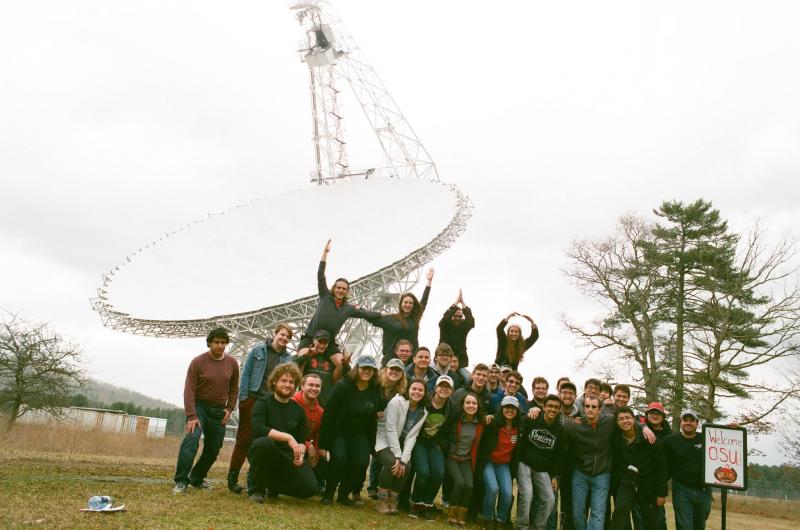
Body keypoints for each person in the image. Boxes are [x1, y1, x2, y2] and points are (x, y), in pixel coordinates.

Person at [228, 324, 293, 493]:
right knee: (244, 438)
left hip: (270, 401)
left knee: (264, 440)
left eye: (288, 337)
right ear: (275, 334)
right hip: (252, 396)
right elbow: (246, 374)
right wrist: (242, 398)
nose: (284, 338)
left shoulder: (288, 358)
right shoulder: (258, 350)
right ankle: (232, 478)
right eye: (282, 334)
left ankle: (255, 478)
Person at [296, 239, 380, 370]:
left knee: (344, 367)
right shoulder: (325, 296)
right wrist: (325, 253)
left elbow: (367, 314)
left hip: (329, 344)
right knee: (300, 362)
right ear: (334, 288)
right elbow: (320, 275)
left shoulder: (348, 308)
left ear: (347, 292)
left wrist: (390, 314)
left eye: (344, 289)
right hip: (310, 338)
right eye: (338, 287)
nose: (341, 290)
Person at [173, 328, 239, 494]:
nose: (220, 346)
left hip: (219, 410)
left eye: (223, 343)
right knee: (191, 441)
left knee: (214, 447)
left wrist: (230, 408)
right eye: (216, 342)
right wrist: (192, 415)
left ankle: (197, 477)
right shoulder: (198, 362)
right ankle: (181, 481)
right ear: (209, 343)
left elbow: (234, 387)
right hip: (199, 407)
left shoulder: (232, 363)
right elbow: (189, 389)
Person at [247, 363, 318, 503]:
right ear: (274, 382)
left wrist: (301, 453)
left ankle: (273, 485)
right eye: (283, 381)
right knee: (264, 442)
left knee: (310, 488)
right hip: (264, 451)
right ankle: (257, 489)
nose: (288, 385)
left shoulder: (298, 410)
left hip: (287, 456)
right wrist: (287, 437)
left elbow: (302, 439)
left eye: (291, 382)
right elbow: (258, 428)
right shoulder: (263, 403)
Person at [319, 356, 382, 506]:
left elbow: (375, 414)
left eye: (370, 369)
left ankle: (343, 494)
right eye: (363, 368)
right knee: (339, 458)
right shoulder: (343, 386)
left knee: (361, 462)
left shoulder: (374, 390)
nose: (366, 371)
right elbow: (329, 414)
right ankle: (328, 493)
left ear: (374, 372)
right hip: (340, 432)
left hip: (360, 434)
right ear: (357, 369)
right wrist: (324, 443)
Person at [374, 378, 429, 514]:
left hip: (399, 444)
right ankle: (381, 501)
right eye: (414, 388)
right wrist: (398, 456)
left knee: (407, 465)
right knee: (392, 462)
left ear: (425, 393)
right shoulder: (396, 402)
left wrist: (404, 459)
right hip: (383, 439)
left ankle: (393, 500)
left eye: (420, 390)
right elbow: (390, 429)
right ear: (408, 389)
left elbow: (412, 437)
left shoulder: (423, 412)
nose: (417, 392)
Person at [609, 407, 667, 530]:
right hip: (626, 484)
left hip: (647, 485)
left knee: (650, 522)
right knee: (618, 517)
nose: (625, 421)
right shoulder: (616, 440)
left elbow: (661, 467)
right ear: (617, 422)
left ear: (634, 419)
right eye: (621, 419)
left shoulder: (649, 438)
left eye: (628, 418)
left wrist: (661, 493)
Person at [516, 394, 566, 530]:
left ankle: (539, 526)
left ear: (559, 410)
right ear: (543, 407)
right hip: (525, 463)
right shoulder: (532, 419)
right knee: (527, 494)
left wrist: (555, 476)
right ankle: (522, 527)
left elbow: (559, 455)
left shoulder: (560, 429)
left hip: (542, 469)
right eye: (549, 406)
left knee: (550, 499)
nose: (552, 409)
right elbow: (518, 429)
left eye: (556, 407)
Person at [410, 374, 455, 520]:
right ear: (435, 387)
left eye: (447, 387)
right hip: (419, 441)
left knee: (438, 473)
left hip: (436, 444)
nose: (444, 389)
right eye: (441, 385)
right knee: (423, 472)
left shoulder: (451, 407)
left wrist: (444, 446)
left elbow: (450, 430)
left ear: (451, 391)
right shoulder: (425, 401)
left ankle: (427, 504)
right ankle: (416, 503)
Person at [368, 269, 434, 366]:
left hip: (410, 359)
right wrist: (359, 310)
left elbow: (424, 301)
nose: (408, 305)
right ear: (401, 304)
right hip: (391, 358)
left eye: (411, 303)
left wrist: (429, 282)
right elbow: (370, 318)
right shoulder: (391, 318)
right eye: (405, 302)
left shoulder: (415, 318)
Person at [366, 358, 409, 500]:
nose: (394, 372)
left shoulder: (401, 392)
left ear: (402, 374)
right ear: (386, 369)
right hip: (368, 427)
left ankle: (387, 493)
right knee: (367, 460)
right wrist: (374, 412)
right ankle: (368, 488)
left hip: (385, 432)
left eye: (398, 370)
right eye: (392, 369)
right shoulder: (375, 385)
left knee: (389, 461)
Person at [661, 411, 711, 530]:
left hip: (703, 491)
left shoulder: (706, 439)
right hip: (681, 489)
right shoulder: (670, 441)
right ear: (681, 423)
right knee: (684, 526)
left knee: (699, 526)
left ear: (697, 423)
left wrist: (732, 429)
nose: (688, 423)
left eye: (691, 420)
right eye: (685, 420)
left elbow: (723, 440)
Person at [478, 395, 522, 529]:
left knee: (508, 493)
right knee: (492, 488)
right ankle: (488, 518)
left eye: (513, 408)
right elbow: (479, 418)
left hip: (504, 464)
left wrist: (536, 409)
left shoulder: (519, 427)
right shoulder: (492, 424)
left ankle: (500, 521)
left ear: (517, 410)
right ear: (502, 408)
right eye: (507, 407)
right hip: (489, 462)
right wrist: (486, 415)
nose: (510, 410)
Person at [446, 392, 484, 526]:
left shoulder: (480, 424)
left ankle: (462, 516)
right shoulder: (456, 420)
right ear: (462, 405)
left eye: (474, 403)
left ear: (478, 406)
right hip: (452, 457)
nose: (471, 405)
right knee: (459, 483)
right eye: (468, 403)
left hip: (467, 459)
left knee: (469, 485)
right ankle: (452, 515)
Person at [293, 373, 327, 494]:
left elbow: (319, 435)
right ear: (302, 386)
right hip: (290, 446)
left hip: (307, 450)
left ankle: (319, 482)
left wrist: (318, 450)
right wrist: (308, 446)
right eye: (310, 385)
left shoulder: (320, 411)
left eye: (317, 386)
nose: (314, 388)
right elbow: (289, 432)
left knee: (327, 453)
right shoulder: (291, 403)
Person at [293, 330, 345, 408]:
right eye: (320, 342)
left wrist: (345, 365)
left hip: (325, 406)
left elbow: (339, 380)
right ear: (314, 341)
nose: (322, 345)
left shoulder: (333, 361)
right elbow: (292, 366)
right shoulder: (305, 356)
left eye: (325, 343)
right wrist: (306, 356)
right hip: (303, 405)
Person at [439, 289, 475, 381]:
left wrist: (463, 305)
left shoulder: (463, 327)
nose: (458, 318)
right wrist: (455, 304)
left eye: (460, 316)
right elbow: (445, 317)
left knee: (469, 379)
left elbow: (471, 322)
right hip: (443, 363)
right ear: (452, 316)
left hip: (460, 363)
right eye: (455, 316)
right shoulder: (445, 325)